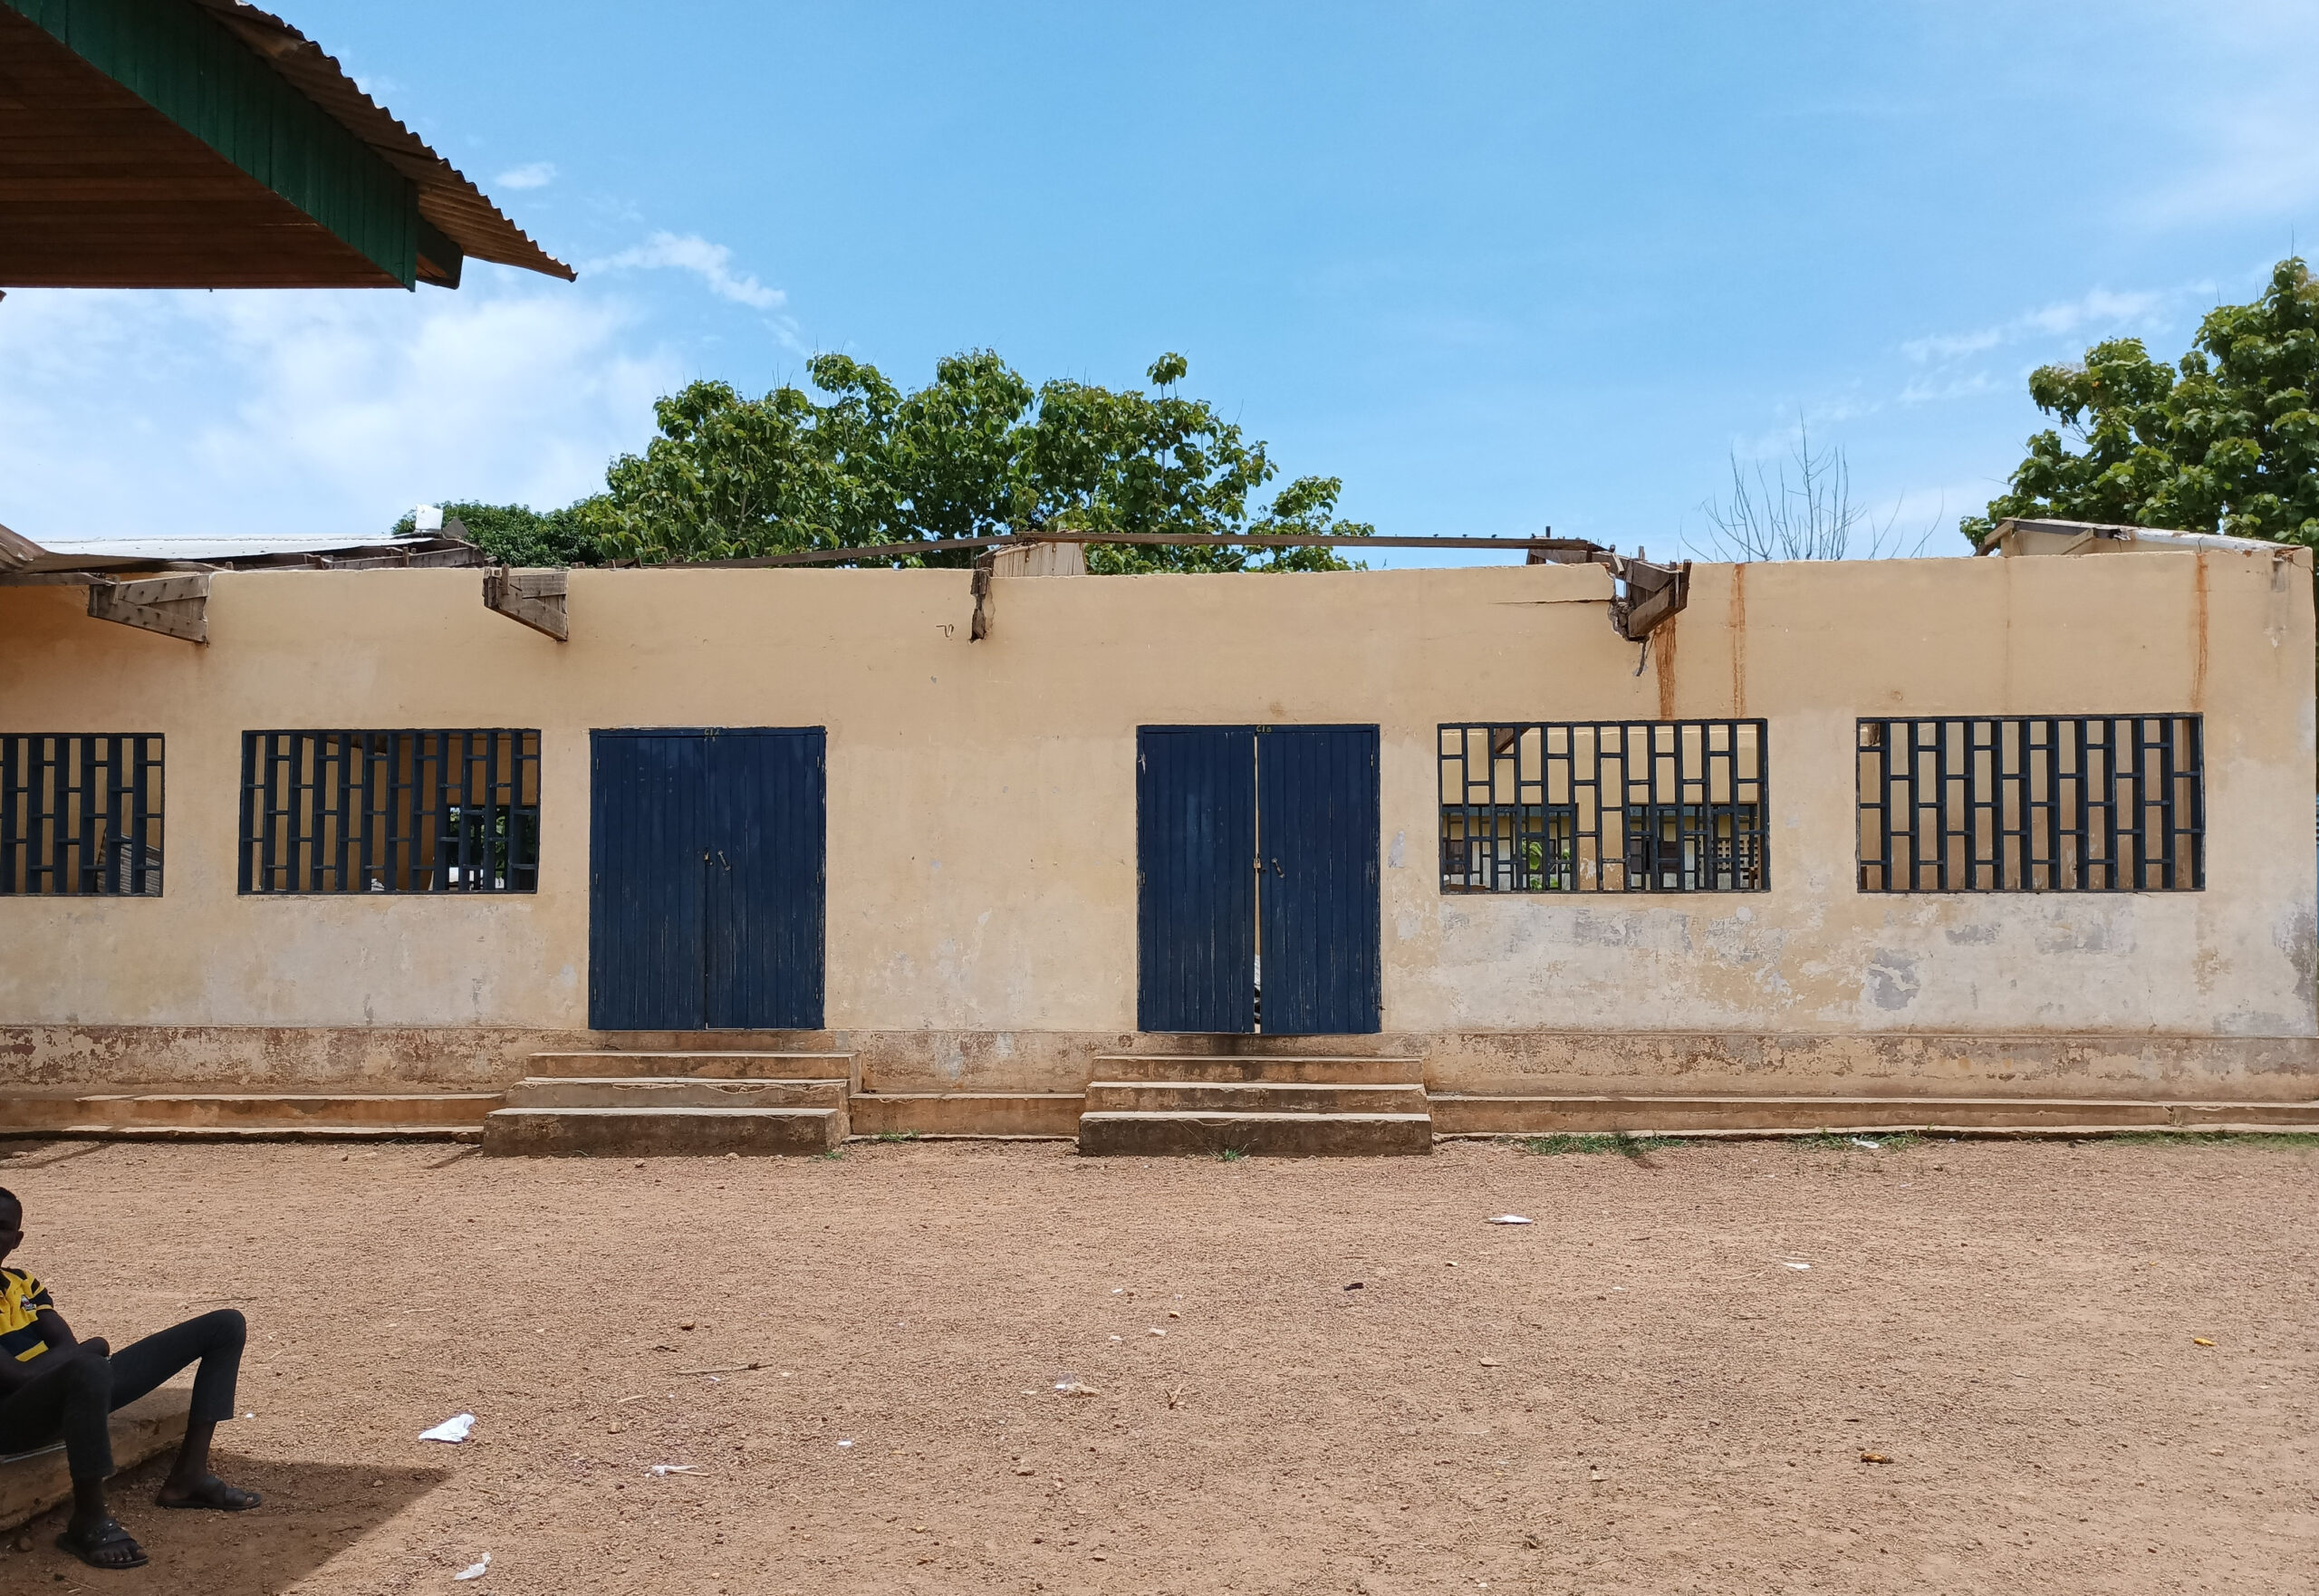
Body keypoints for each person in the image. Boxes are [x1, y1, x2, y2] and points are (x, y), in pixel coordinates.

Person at [0, 1185, 259, 1571]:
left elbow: (66, 1344)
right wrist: (90, 1349)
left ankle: (188, 1477)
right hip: (12, 1420)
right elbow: (17, 1376)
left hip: (72, 1393)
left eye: (2, 1227)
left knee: (225, 1325)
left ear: (17, 1239)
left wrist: (82, 1353)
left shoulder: (22, 1283)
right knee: (89, 1366)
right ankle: (89, 1520)